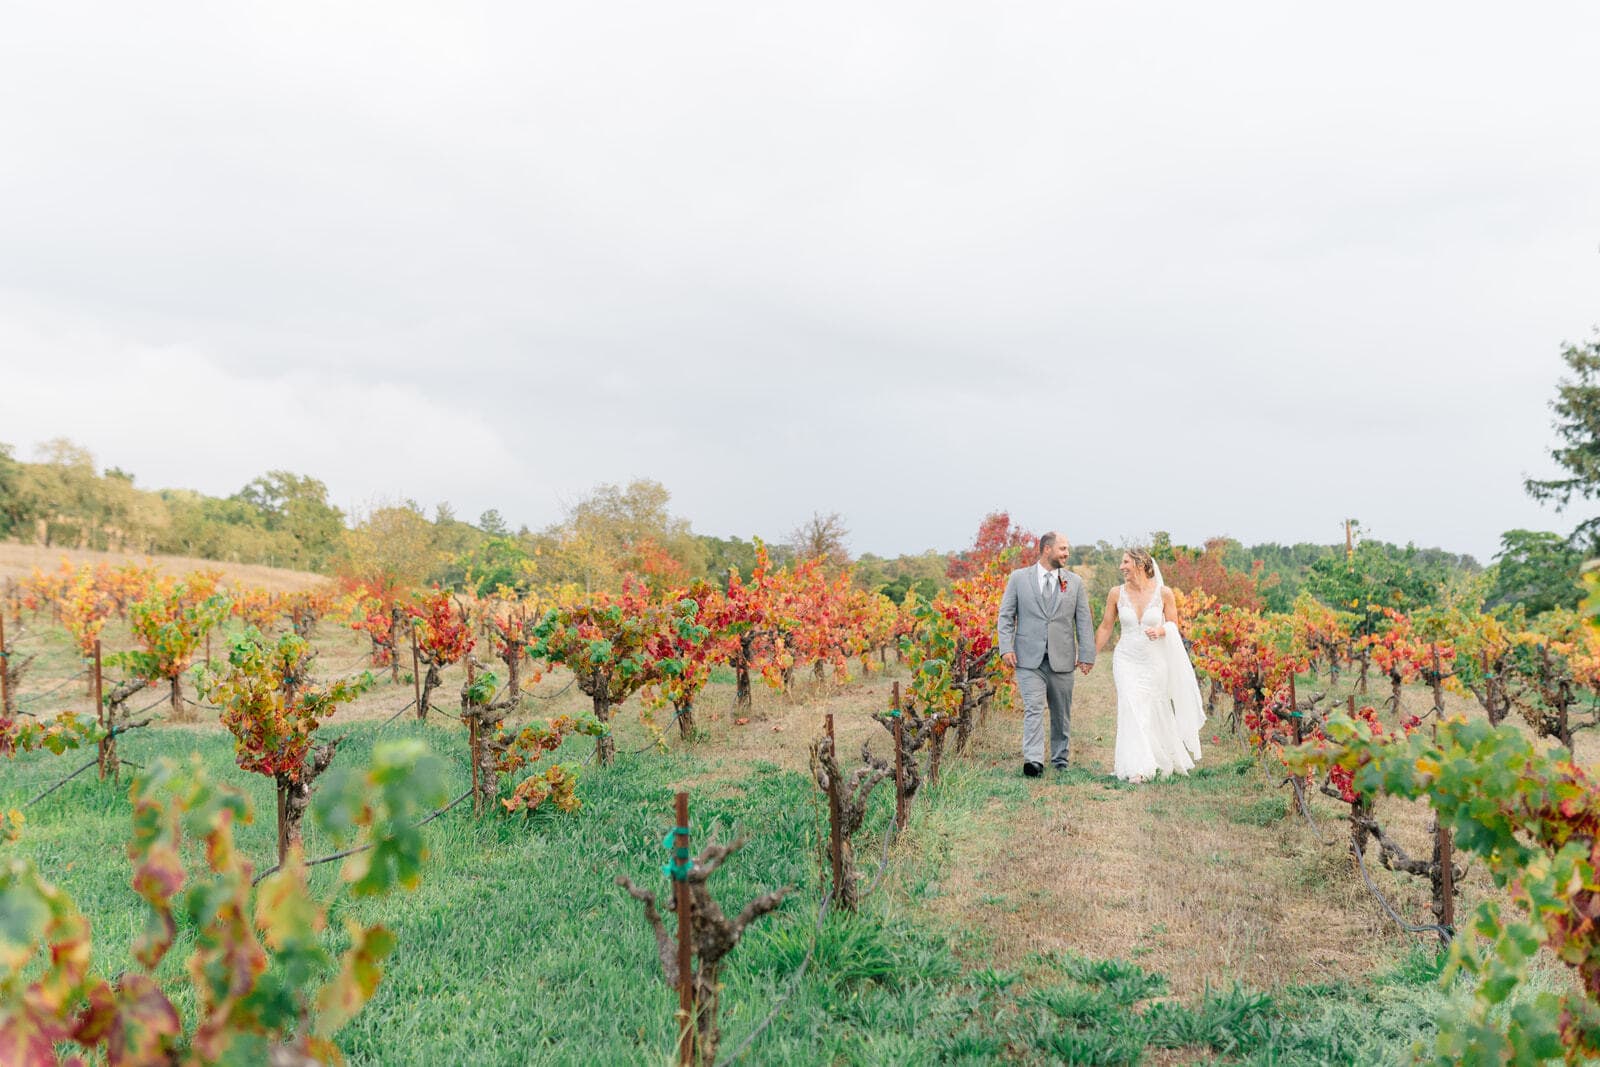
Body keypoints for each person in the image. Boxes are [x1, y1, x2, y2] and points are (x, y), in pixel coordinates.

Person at [1093, 547, 1206, 782]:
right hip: (1126, 659)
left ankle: (1156, 756)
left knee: (1151, 708)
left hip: (1154, 661)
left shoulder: (1164, 594)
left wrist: (1161, 629)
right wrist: (1090, 655)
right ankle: (1138, 768)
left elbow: (1174, 625)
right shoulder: (1116, 593)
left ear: (1141, 563)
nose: (1122, 567)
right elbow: (1105, 626)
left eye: (1126, 562)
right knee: (1131, 706)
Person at [996, 531, 1095, 777]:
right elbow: (1006, 615)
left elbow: (1083, 621)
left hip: (1062, 657)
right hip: (1028, 658)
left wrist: (1086, 655)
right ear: (1047, 549)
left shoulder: (1074, 582)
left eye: (1067, 549)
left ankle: (1060, 758)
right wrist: (1006, 647)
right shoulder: (1019, 579)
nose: (1067, 553)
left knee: (1061, 712)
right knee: (1033, 708)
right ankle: (1033, 760)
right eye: (1063, 548)